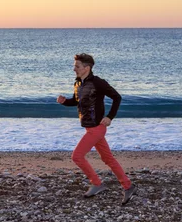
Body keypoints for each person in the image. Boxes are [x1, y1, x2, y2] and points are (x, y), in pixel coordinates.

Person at [57, 53, 137, 205]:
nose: (74, 69)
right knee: (108, 158)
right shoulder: (78, 83)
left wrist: (110, 117)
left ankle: (97, 183)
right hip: (89, 128)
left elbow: (117, 97)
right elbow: (76, 101)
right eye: (75, 66)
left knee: (77, 156)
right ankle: (128, 186)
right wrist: (64, 102)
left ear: (87, 68)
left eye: (77, 66)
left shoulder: (98, 82)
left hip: (97, 128)